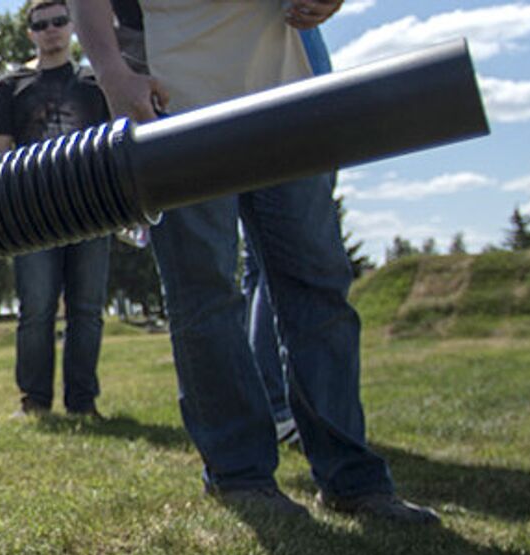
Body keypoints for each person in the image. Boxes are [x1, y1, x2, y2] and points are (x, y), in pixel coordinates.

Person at [68, 0, 439, 524]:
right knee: (205, 294)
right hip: (172, 104)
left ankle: (354, 480)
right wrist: (111, 73)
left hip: (286, 92)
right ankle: (239, 475)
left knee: (317, 282)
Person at [0, 0, 112, 420]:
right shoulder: (10, 86)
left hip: (93, 213)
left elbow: (116, 148)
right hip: (32, 218)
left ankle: (83, 403)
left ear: (73, 26)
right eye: (42, 24)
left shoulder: (98, 81)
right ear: (30, 33)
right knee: (36, 310)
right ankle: (34, 401)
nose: (51, 30)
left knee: (87, 310)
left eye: (59, 21)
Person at [244, 22, 333, 447]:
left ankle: (281, 408)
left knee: (261, 265)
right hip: (245, 63)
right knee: (275, 261)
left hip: (295, 48)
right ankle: (277, 406)